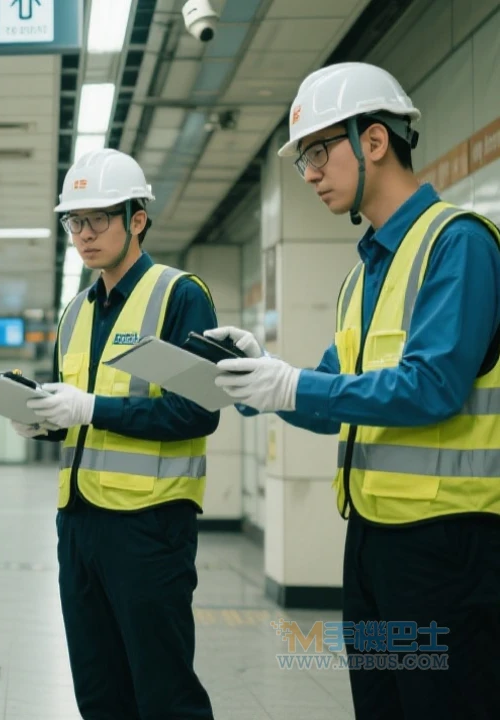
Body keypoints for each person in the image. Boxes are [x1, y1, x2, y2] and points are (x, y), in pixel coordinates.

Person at [209, 62, 500, 719]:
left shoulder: (457, 245)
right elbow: (335, 396)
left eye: (317, 151)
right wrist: (264, 378)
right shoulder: (363, 274)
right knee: (381, 705)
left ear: (373, 141)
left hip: (449, 548)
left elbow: (432, 388)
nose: (308, 173)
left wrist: (294, 386)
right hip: (373, 541)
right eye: (305, 159)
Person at [13, 148, 220, 719]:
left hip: (149, 527)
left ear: (137, 218)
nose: (83, 234)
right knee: (99, 691)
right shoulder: (75, 312)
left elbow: (198, 411)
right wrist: (41, 421)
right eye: (74, 222)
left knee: (164, 691)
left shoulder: (179, 296)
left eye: (98, 218)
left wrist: (89, 408)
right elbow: (75, 416)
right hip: (78, 524)